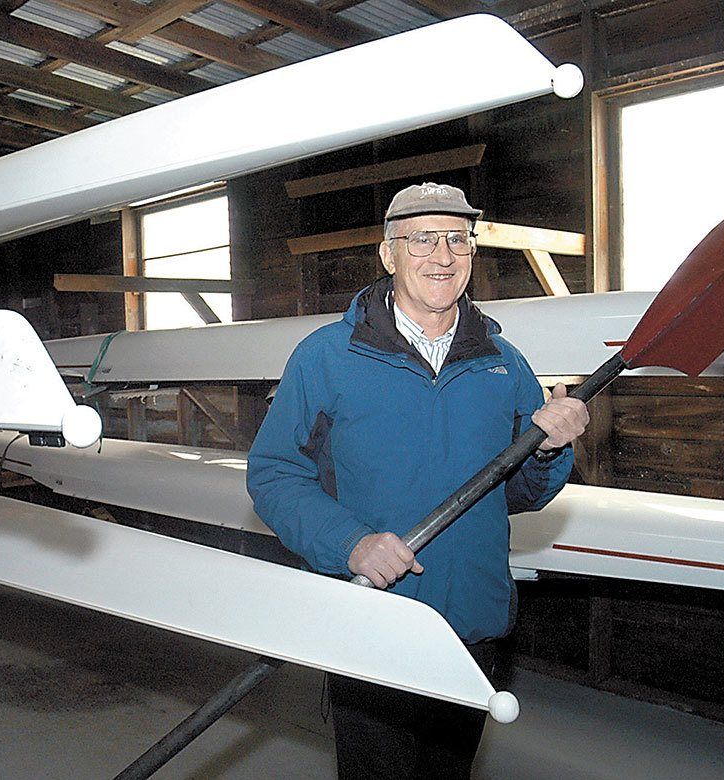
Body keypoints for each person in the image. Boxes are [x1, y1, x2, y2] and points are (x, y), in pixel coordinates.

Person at [246, 182, 589, 778]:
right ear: (389, 254)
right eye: (422, 239)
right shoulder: (327, 356)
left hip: (474, 625)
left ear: (473, 254)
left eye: (457, 239)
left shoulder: (503, 364)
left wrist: (550, 448)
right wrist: (349, 542)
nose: (442, 255)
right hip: (374, 620)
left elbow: (522, 493)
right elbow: (274, 474)